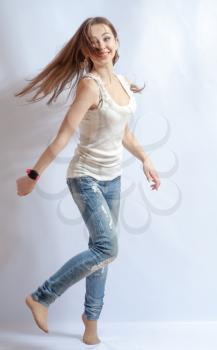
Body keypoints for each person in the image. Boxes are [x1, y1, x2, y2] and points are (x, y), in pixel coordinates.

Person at [15, 16, 161, 345]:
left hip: (112, 178)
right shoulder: (89, 85)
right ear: (84, 52)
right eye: (93, 43)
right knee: (107, 247)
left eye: (106, 39)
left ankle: (90, 323)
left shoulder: (123, 83)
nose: (101, 47)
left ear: (117, 42)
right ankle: (41, 297)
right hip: (85, 177)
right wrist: (32, 176)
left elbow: (123, 133)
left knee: (102, 253)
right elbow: (64, 135)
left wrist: (146, 159)